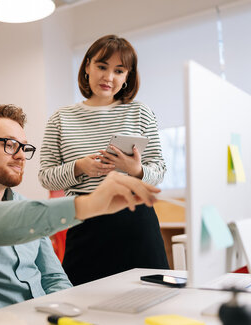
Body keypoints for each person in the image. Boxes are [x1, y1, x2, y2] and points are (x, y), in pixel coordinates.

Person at [0, 104, 161, 309]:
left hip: (45, 323)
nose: (20, 156)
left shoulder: (25, 205)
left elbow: (53, 278)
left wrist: (72, 312)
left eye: (24, 148)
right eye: (9, 145)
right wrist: (87, 204)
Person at [39, 34, 169, 286]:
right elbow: (46, 176)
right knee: (82, 300)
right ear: (87, 66)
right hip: (86, 222)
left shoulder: (140, 112)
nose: (109, 77)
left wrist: (135, 169)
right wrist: (79, 167)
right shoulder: (61, 118)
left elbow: (159, 170)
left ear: (127, 77)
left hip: (136, 221)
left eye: (119, 71)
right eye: (101, 66)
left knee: (151, 297)